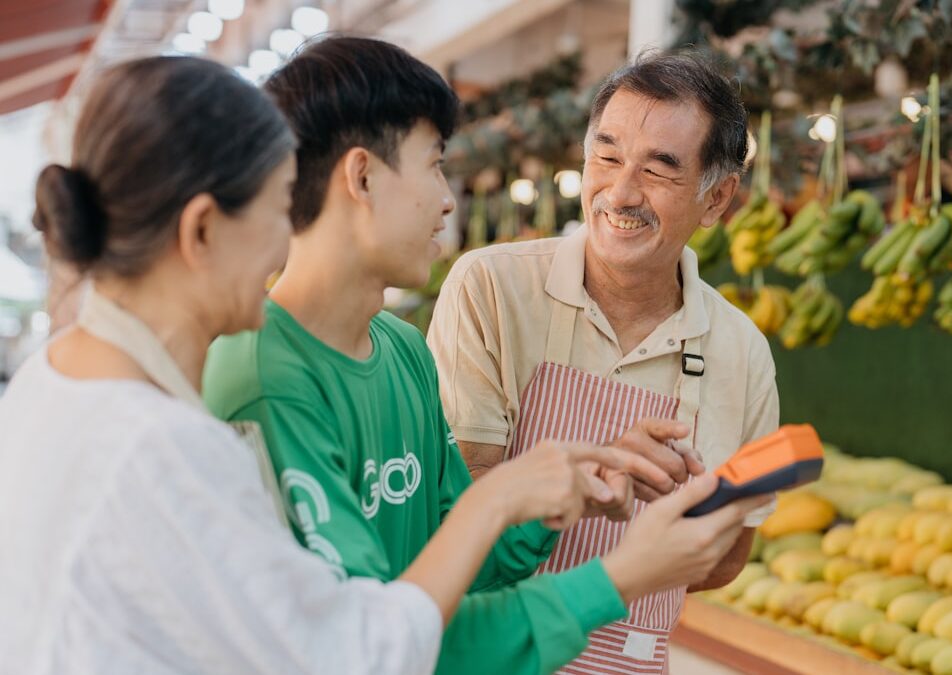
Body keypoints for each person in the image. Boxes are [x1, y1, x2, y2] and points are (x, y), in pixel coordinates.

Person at [0, 55, 646, 674]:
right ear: (203, 230)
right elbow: (354, 655)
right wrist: (600, 556)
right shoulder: (167, 446)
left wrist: (531, 496)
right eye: (279, 206)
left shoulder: (51, 381)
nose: (289, 236)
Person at [202, 36, 768, 675]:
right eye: (434, 164)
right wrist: (616, 576)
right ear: (361, 176)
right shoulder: (263, 379)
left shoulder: (402, 350)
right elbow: (374, 645)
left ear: (716, 198)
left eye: (658, 168)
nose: (448, 199)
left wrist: (575, 486)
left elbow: (453, 572)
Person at [427, 50, 780, 673]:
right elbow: (456, 506)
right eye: (607, 156)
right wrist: (600, 493)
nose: (620, 192)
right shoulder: (491, 288)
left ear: (717, 198)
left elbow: (728, 554)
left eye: (660, 170)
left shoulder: (743, 350)